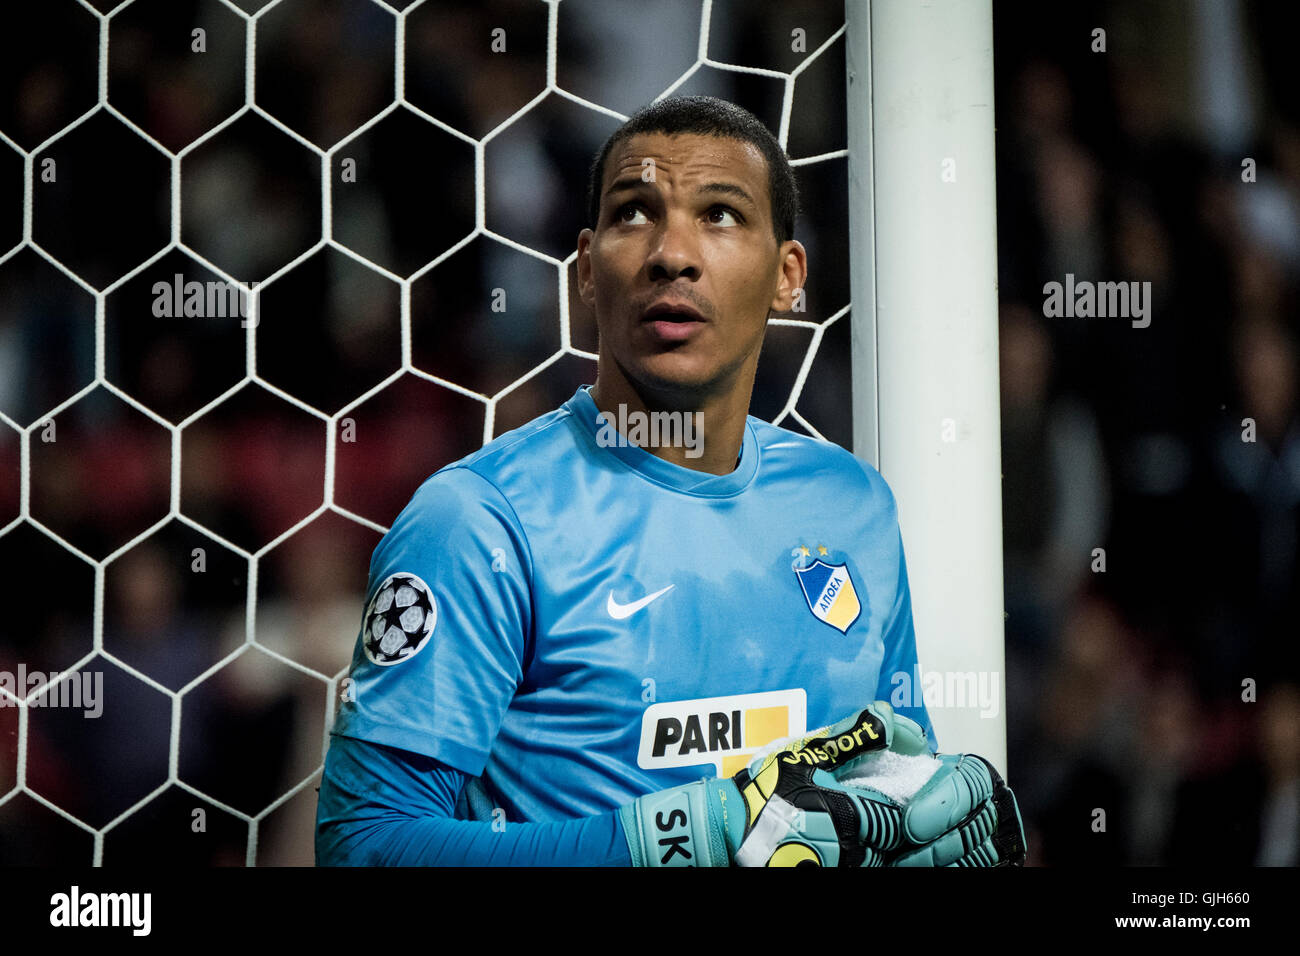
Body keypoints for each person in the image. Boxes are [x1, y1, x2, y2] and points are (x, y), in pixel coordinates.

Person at [315, 95, 1023, 866]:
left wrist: (925, 823)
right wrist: (665, 843)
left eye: (720, 214)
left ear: (789, 276)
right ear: (587, 270)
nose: (672, 253)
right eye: (633, 213)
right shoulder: (479, 524)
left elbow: (892, 771)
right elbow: (365, 845)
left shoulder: (852, 505)